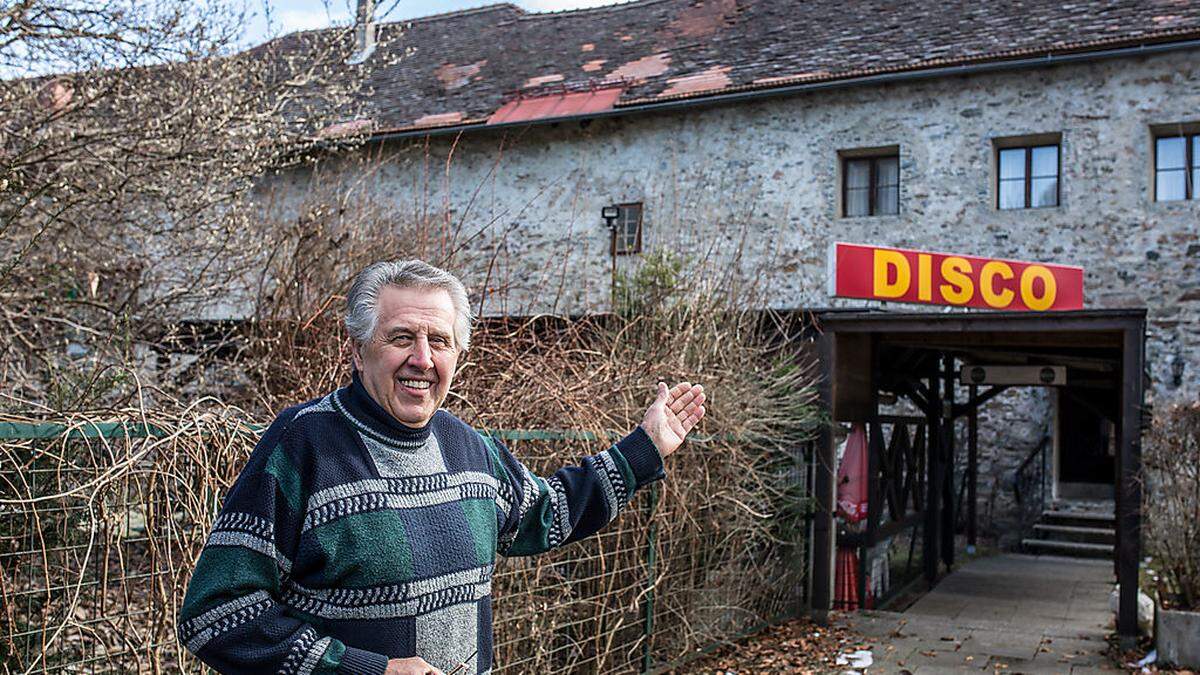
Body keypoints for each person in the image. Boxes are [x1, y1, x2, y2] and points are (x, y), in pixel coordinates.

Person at [178, 259, 706, 675]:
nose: (423, 358)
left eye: (440, 341)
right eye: (402, 337)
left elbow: (550, 511)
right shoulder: (303, 444)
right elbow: (216, 615)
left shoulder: (468, 448)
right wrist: (366, 670)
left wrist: (646, 448)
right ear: (359, 351)